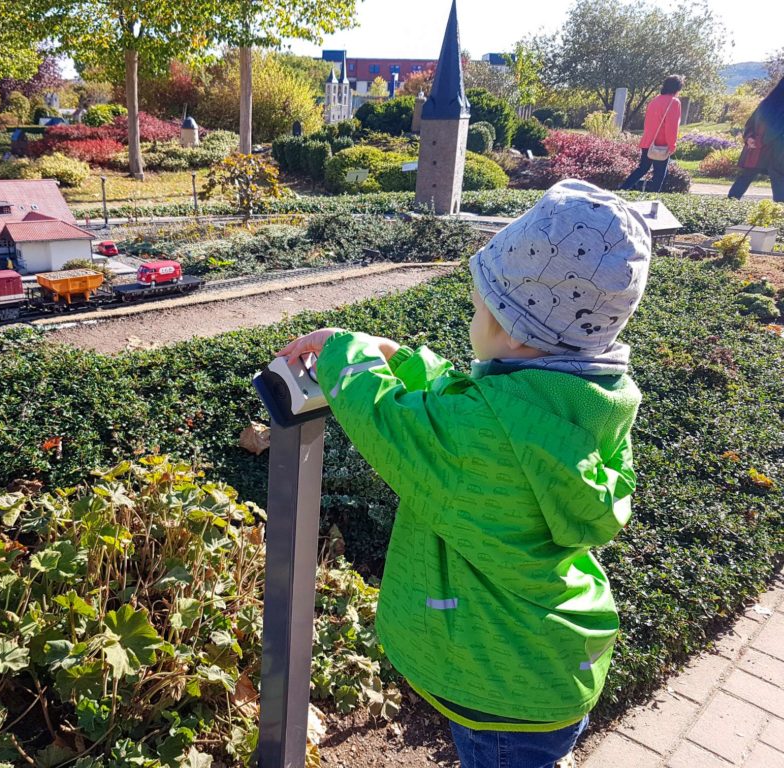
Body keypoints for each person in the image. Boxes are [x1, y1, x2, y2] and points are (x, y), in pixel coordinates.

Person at [278, 179, 652, 768]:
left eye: (479, 306)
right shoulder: (591, 402)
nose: (473, 316)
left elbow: (393, 423)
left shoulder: (481, 428)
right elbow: (480, 411)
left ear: (508, 328)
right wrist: (401, 358)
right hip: (554, 665)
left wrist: (342, 353)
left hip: (500, 686)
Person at [619, 75, 684, 193]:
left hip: (647, 141)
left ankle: (622, 189)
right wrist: (672, 144)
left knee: (642, 169)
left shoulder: (654, 100)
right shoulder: (674, 102)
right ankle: (652, 198)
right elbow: (672, 126)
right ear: (677, 88)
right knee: (659, 175)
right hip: (661, 144)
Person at [728, 78, 784, 202]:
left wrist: (750, 138)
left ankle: (728, 206)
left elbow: (749, 124)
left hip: (757, 150)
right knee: (779, 180)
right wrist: (753, 139)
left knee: (746, 177)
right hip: (774, 151)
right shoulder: (772, 105)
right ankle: (779, 215)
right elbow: (775, 129)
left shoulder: (765, 103)